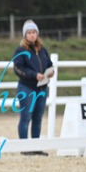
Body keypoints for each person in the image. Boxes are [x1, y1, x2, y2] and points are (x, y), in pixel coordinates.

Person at [12, 20, 54, 155]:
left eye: (34, 32)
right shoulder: (20, 51)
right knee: (26, 117)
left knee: (38, 118)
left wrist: (50, 72)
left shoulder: (43, 50)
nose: (32, 35)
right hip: (27, 87)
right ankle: (24, 147)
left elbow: (49, 64)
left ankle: (36, 146)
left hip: (42, 88)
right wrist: (34, 75)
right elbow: (18, 68)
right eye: (29, 32)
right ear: (25, 35)